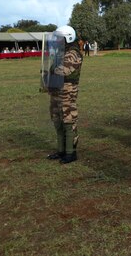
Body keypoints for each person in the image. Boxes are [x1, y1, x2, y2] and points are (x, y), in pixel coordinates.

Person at [45, 25, 83, 164]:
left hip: (67, 91)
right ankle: (61, 150)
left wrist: (51, 69)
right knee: (57, 120)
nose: (57, 40)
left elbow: (64, 70)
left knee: (68, 120)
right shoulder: (60, 51)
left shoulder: (73, 53)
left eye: (60, 37)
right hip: (56, 90)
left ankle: (70, 152)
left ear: (68, 37)